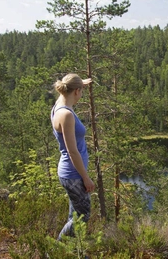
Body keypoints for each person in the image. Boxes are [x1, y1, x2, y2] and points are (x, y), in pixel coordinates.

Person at [50, 73, 95, 241]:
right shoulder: (66, 115)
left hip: (69, 172)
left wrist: (80, 83)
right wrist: (86, 178)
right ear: (76, 91)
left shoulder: (59, 104)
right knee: (83, 214)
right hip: (74, 174)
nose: (81, 95)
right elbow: (72, 151)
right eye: (81, 91)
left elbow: (66, 91)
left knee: (74, 215)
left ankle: (73, 251)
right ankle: (56, 250)